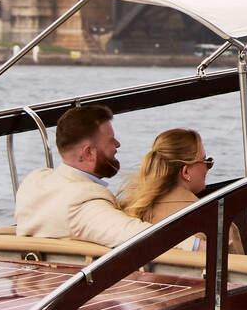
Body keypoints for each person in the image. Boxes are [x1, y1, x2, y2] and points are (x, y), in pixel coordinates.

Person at [11, 103, 155, 247]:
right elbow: (146, 237)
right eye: (111, 140)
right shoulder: (83, 203)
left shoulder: (34, 182)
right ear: (88, 152)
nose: (117, 144)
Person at [117, 129, 215, 224]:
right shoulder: (209, 215)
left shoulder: (130, 209)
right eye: (206, 161)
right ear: (185, 172)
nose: (208, 167)